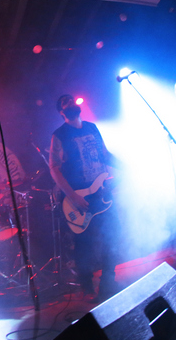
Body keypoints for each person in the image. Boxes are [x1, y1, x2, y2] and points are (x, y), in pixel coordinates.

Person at [48, 94, 121, 302]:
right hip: (79, 197)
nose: (71, 102)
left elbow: (104, 155)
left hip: (101, 192)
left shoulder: (92, 128)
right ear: (61, 112)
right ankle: (87, 287)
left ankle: (108, 281)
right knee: (84, 244)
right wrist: (72, 196)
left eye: (71, 99)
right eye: (65, 102)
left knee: (112, 235)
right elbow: (54, 168)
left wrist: (127, 166)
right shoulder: (59, 135)